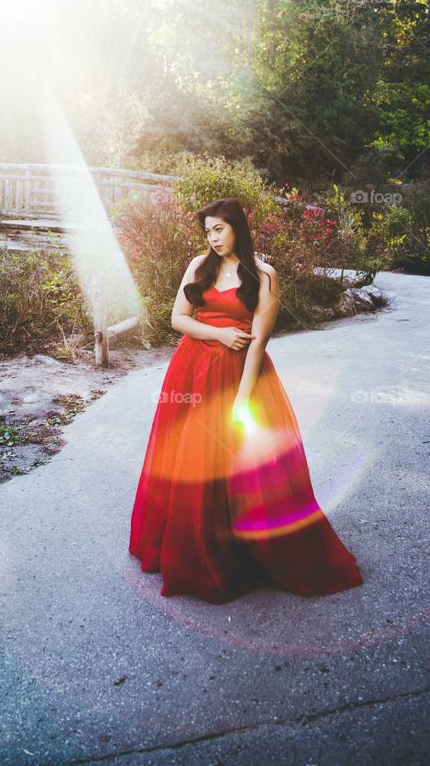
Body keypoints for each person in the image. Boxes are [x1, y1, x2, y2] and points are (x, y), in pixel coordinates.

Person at [129, 196, 363, 604]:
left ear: (237, 227)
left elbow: (257, 343)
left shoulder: (264, 276)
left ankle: (248, 549)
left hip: (240, 375)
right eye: (207, 231)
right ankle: (195, 552)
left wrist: (242, 397)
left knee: (249, 469)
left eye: (219, 228)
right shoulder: (199, 267)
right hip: (191, 370)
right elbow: (177, 319)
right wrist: (218, 334)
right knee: (192, 459)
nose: (213, 238)